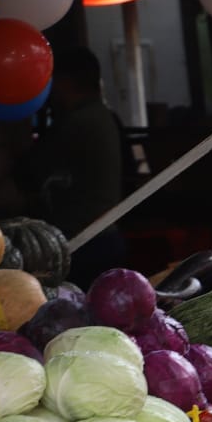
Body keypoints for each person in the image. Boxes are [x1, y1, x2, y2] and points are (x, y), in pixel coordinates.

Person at [26, 45, 126, 286]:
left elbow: (31, 171)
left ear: (65, 81)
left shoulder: (79, 123)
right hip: (98, 235)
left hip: (86, 238)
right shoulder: (99, 115)